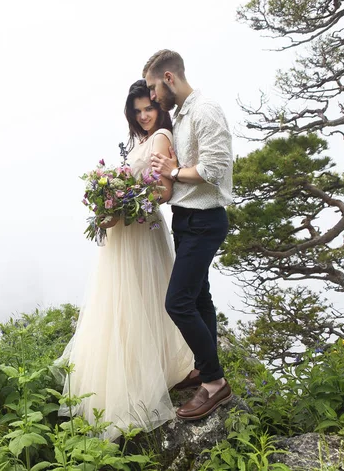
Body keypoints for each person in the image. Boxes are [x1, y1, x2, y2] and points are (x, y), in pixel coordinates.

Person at [56, 79, 194, 441]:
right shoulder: (139, 142)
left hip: (141, 232)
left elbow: (165, 191)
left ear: (159, 107)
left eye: (148, 107)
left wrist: (124, 202)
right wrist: (109, 202)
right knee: (120, 303)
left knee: (141, 300)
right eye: (138, 111)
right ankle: (130, 373)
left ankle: (146, 378)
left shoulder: (163, 135)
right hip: (124, 234)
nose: (145, 115)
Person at [144, 49, 234, 421]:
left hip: (205, 220)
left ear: (168, 78)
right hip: (186, 218)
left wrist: (174, 170)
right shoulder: (179, 117)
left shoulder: (205, 110)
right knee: (199, 297)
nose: (151, 97)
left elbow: (215, 167)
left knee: (177, 302)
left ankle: (214, 384)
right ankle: (203, 365)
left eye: (152, 88)